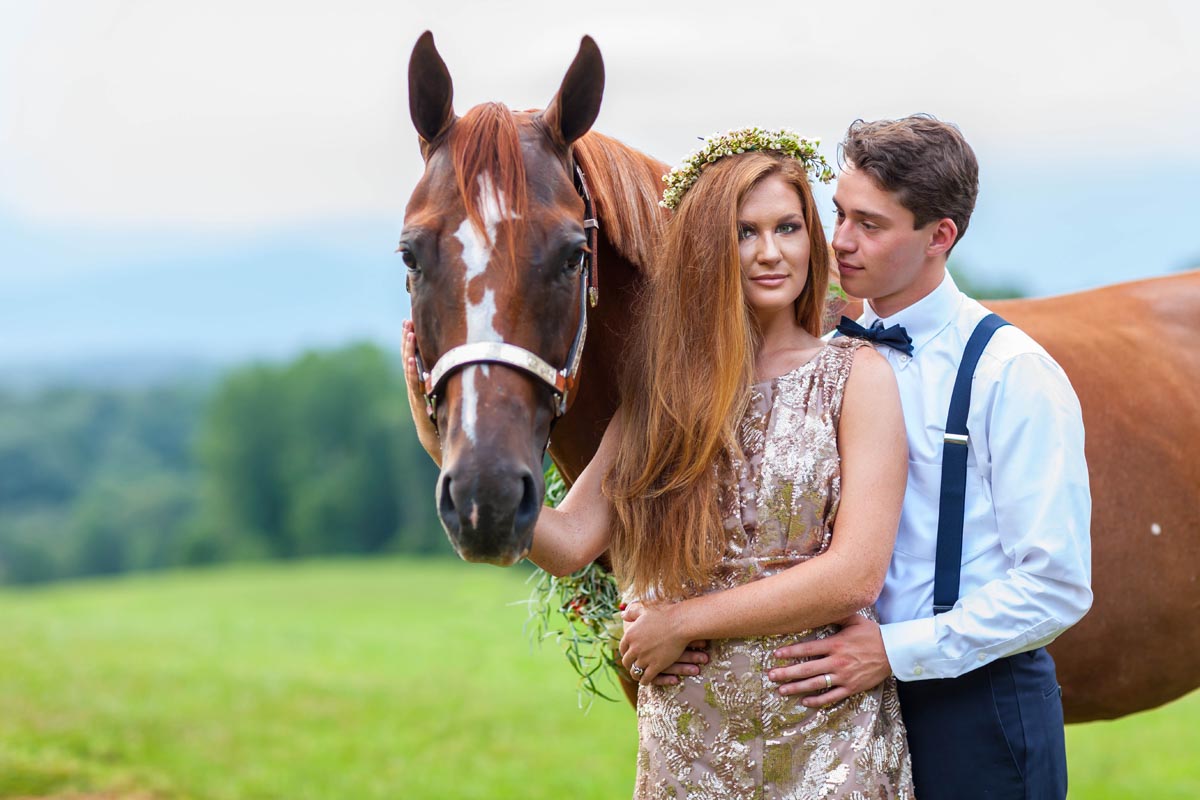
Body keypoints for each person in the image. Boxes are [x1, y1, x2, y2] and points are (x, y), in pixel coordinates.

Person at [403, 129, 915, 798]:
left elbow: (854, 577)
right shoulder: (665, 394)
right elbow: (568, 542)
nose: (769, 252)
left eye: (787, 227)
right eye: (744, 232)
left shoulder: (859, 375)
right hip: (691, 745)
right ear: (708, 247)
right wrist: (446, 439)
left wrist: (682, 623)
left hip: (825, 738)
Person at [762, 116, 1093, 800]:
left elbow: (1056, 586)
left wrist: (892, 651)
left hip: (976, 710)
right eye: (838, 214)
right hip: (842, 702)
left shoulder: (1013, 373)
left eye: (870, 224)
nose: (840, 242)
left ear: (940, 236)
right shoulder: (827, 354)